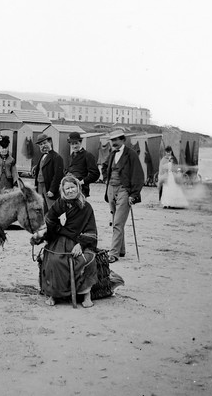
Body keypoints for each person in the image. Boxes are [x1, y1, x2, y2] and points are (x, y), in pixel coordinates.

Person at [30, 175, 98, 308]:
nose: (70, 191)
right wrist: (42, 234)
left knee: (86, 259)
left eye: (73, 187)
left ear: (78, 187)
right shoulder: (59, 204)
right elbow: (49, 222)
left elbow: (91, 229)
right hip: (61, 238)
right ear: (63, 190)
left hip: (80, 240)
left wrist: (81, 244)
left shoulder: (86, 207)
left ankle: (86, 295)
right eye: (67, 188)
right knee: (53, 260)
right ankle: (53, 294)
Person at [101, 129, 144, 263]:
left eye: (116, 140)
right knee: (115, 221)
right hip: (111, 189)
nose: (114, 143)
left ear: (123, 140)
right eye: (112, 140)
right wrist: (105, 178)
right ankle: (121, 250)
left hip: (124, 190)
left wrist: (134, 194)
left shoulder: (131, 154)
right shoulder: (112, 153)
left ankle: (113, 254)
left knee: (118, 222)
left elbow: (138, 175)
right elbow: (105, 166)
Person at [32, 133, 64, 212]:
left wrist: (52, 190)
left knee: (52, 209)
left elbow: (58, 176)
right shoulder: (42, 156)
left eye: (45, 143)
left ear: (50, 142)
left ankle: (54, 224)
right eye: (41, 144)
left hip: (48, 187)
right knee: (42, 208)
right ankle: (45, 223)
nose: (43, 146)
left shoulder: (57, 157)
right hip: (39, 186)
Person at [65, 131, 100, 198]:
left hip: (82, 189)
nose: (74, 146)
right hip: (70, 188)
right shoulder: (71, 156)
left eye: (76, 143)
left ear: (80, 142)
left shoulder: (88, 155)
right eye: (72, 144)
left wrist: (82, 182)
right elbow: (68, 169)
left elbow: (95, 174)